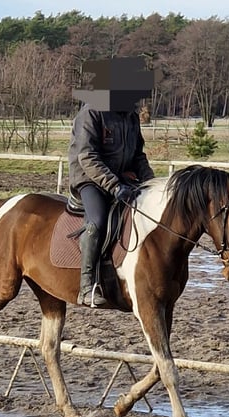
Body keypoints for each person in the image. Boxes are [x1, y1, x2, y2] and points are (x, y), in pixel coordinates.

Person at [67, 102, 155, 306]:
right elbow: (87, 156)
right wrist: (114, 186)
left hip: (122, 178)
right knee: (96, 223)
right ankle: (87, 285)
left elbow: (138, 156)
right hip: (89, 179)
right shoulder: (91, 112)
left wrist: (151, 183)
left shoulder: (130, 115)